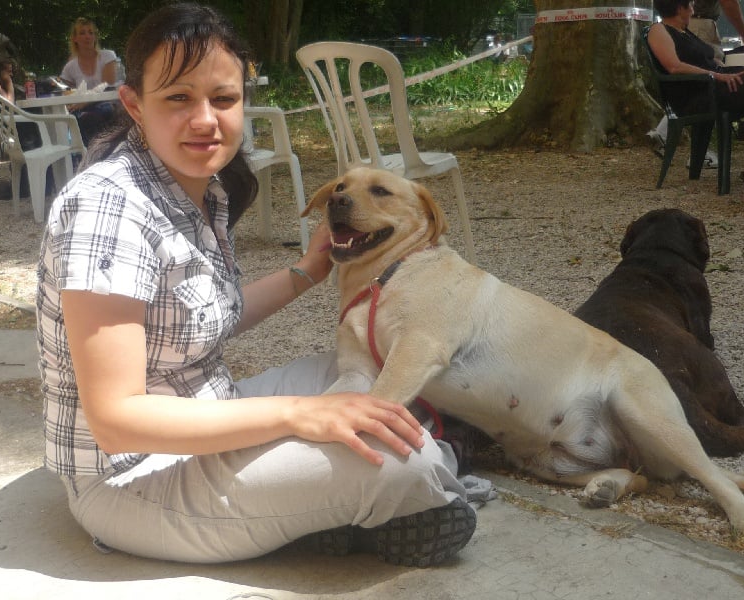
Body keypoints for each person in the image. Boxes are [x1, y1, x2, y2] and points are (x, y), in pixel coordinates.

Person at [36, 2, 475, 566]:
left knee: (365, 377)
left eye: (223, 99)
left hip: (211, 413)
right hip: (136, 478)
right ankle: (391, 493)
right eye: (178, 98)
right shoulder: (108, 208)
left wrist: (307, 271)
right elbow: (117, 421)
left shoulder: (197, 188)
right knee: (401, 458)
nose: (205, 120)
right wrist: (297, 415)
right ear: (134, 104)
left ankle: (332, 510)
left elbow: (198, 323)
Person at [647, 0, 744, 174]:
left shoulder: (684, 31)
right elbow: (674, 66)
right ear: (679, 8)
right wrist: (718, 75)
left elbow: (706, 59)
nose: (693, 10)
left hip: (713, 88)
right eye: (690, 6)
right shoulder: (659, 30)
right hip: (700, 95)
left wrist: (727, 69)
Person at [59, 17, 119, 145]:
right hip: (84, 109)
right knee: (68, 119)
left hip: (110, 103)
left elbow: (107, 86)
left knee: (95, 115)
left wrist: (84, 102)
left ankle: (96, 152)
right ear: (75, 39)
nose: (88, 36)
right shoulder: (71, 66)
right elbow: (65, 91)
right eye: (82, 33)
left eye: (91, 33)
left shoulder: (108, 56)